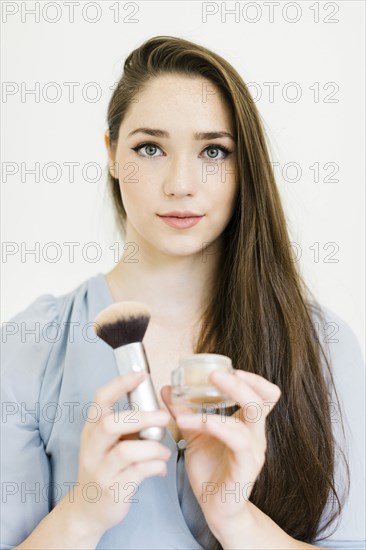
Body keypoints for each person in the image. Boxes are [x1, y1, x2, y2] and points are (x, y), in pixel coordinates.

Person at [1, 35, 365, 550]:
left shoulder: (323, 345)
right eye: (150, 148)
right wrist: (81, 516)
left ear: (246, 167)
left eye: (213, 151)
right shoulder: (28, 346)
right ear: (110, 153)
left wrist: (237, 520)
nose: (180, 183)